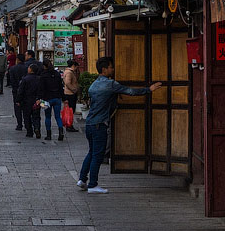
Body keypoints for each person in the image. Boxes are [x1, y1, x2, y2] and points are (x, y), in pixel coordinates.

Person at [79, 56, 162, 193]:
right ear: (104, 69)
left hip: (90, 123)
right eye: (111, 67)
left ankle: (82, 179)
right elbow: (130, 91)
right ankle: (93, 185)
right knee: (98, 155)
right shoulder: (110, 84)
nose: (113, 69)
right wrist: (149, 89)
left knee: (91, 152)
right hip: (100, 124)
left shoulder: (94, 85)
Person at [40, 60, 66, 141]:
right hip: (57, 98)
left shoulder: (43, 75)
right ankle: (61, 132)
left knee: (47, 117)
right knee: (58, 116)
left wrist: (40, 99)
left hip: (46, 99)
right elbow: (61, 87)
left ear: (44, 66)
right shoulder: (57, 74)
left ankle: (48, 135)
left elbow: (41, 89)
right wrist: (64, 98)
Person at [17, 62, 43, 138]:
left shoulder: (25, 79)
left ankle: (29, 131)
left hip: (27, 101)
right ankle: (37, 128)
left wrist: (18, 100)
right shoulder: (39, 79)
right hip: (37, 101)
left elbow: (20, 91)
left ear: (31, 70)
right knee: (37, 116)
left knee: (27, 116)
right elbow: (42, 90)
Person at [7, 55, 29, 131]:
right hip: (26, 91)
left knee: (17, 108)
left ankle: (19, 124)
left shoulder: (13, 68)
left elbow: (11, 80)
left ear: (17, 60)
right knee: (26, 108)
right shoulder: (27, 68)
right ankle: (27, 124)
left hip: (16, 90)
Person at [62, 59, 81, 132]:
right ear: (73, 66)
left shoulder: (68, 71)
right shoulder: (69, 72)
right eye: (76, 67)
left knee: (69, 111)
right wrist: (74, 89)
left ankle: (69, 125)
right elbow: (67, 82)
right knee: (70, 111)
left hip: (68, 93)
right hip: (70, 94)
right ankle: (69, 125)